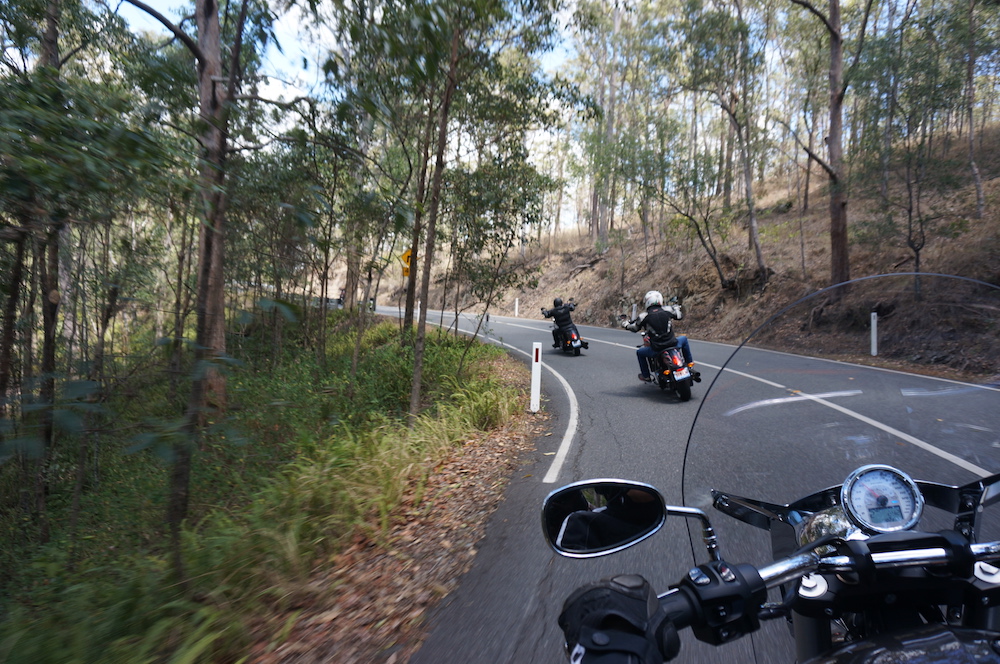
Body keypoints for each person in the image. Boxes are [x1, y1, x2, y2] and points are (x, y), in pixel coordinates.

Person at [621, 290, 698, 383]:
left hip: (657, 348)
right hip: (673, 343)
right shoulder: (668, 310)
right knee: (684, 339)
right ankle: (689, 363)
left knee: (640, 353)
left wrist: (625, 325)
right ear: (660, 300)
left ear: (648, 302)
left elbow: (634, 328)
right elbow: (679, 316)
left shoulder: (644, 316)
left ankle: (646, 376)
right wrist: (676, 309)